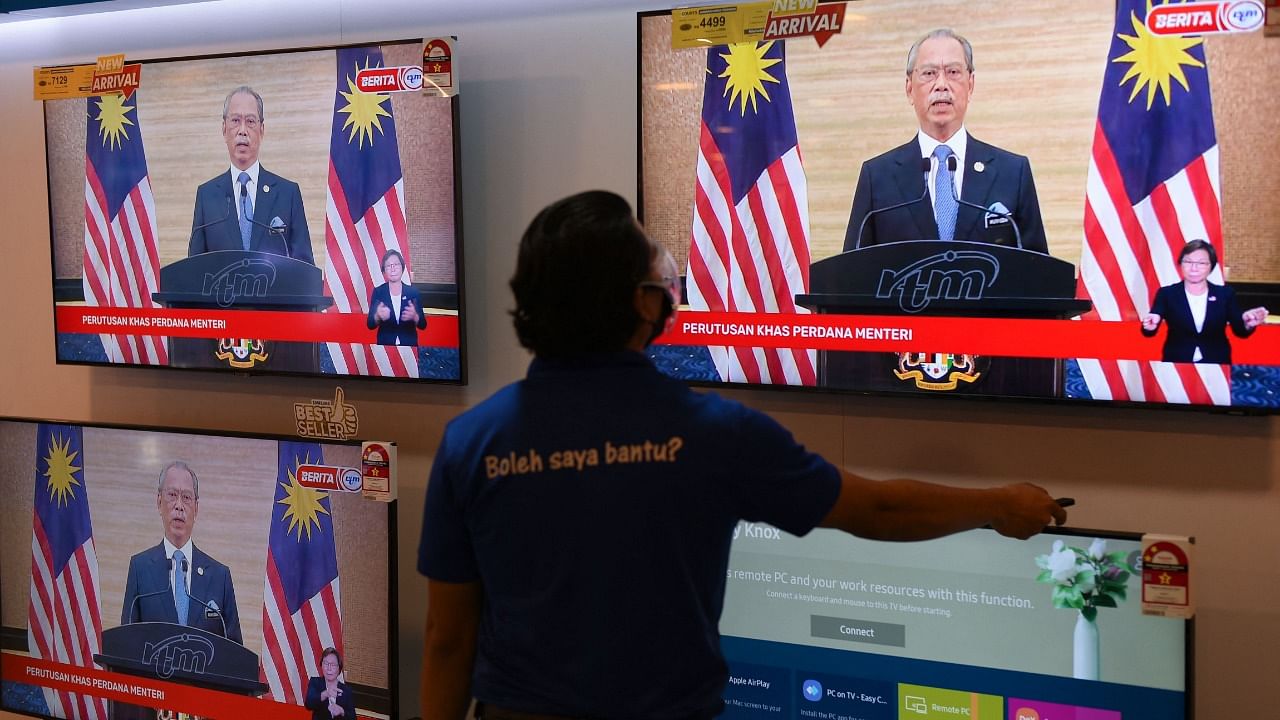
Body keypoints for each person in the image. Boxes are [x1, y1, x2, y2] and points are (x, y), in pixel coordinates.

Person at [417, 190, 1067, 720]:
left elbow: (448, 638)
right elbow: (878, 508)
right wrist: (997, 505)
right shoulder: (713, 432)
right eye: (657, 273)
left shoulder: (472, 442)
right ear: (646, 304)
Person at [842, 29, 1047, 253]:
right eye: (929, 73)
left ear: (970, 85)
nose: (941, 84)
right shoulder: (877, 177)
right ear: (909, 89)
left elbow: (1038, 273)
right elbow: (852, 275)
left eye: (953, 72)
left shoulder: (1013, 173)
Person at [188, 86, 315, 263]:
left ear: (262, 130)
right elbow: (193, 270)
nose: (242, 130)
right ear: (224, 129)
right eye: (235, 121)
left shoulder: (288, 194)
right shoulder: (206, 196)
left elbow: (304, 268)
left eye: (250, 121)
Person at [121, 461, 243, 645]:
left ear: (196, 508)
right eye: (172, 495)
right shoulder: (140, 568)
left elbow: (235, 652)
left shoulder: (220, 576)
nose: (179, 506)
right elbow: (126, 644)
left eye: (186, 497)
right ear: (159, 502)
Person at [1141, 239, 1267, 363]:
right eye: (1188, 262)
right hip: (1177, 363)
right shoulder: (1167, 293)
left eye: (1201, 263)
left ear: (1211, 266)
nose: (1194, 268)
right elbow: (1150, 328)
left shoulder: (1225, 294)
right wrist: (1150, 326)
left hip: (1216, 362)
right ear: (1181, 264)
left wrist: (1247, 323)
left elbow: (1240, 332)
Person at [367, 249, 427, 346]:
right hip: (385, 348)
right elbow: (370, 324)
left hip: (409, 347)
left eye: (396, 264)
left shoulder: (413, 292)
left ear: (402, 268)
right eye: (388, 266)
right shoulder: (379, 291)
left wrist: (415, 316)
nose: (393, 268)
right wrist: (377, 316)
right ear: (384, 270)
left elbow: (423, 325)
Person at [305, 647, 356, 720]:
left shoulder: (346, 690)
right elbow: (308, 704)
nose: (329, 668)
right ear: (321, 665)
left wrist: (342, 711)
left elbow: (353, 718)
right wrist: (325, 694)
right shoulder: (315, 682)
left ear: (339, 668)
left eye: (333, 664)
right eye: (326, 663)